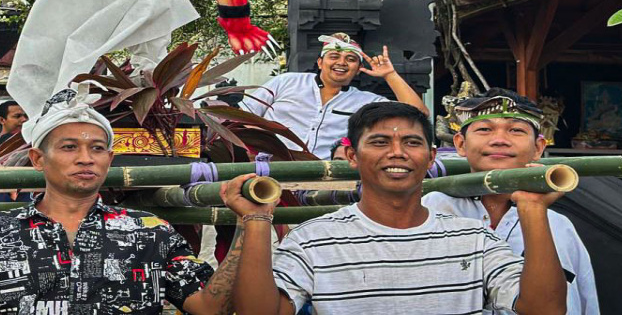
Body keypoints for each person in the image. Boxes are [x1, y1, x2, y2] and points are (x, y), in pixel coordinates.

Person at [0, 84, 258, 315]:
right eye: (70, 147)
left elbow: (208, 308)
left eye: (97, 149)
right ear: (39, 159)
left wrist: (248, 222)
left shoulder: (151, 232)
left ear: (109, 160)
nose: (86, 158)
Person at [232, 101, 569, 315]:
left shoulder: (475, 238)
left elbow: (544, 309)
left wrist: (532, 208)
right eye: (379, 142)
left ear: (431, 157)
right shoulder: (313, 240)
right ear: (352, 157)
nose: (397, 153)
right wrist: (257, 219)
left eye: (411, 142)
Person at [423, 88, 599, 315]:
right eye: (485, 129)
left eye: (516, 130)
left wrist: (533, 208)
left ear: (538, 147)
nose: (499, 140)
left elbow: (585, 302)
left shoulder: (558, 226)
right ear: (460, 144)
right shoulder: (432, 210)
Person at [239, 33, 429, 157]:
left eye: (351, 59)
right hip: (268, 167)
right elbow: (241, 117)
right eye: (334, 56)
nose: (342, 62)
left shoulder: (366, 102)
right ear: (320, 63)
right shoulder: (287, 81)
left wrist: (390, 75)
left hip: (327, 178)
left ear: (358, 69)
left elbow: (418, 114)